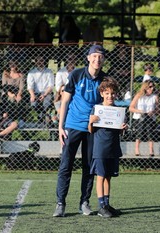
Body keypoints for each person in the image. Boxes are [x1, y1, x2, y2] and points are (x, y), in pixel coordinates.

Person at [53, 44, 107, 217]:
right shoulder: (76, 74)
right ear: (88, 58)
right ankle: (60, 203)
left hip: (93, 129)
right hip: (73, 126)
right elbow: (65, 101)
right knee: (65, 165)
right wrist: (61, 127)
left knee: (89, 167)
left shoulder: (105, 79)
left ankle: (84, 202)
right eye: (94, 56)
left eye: (100, 56)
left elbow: (108, 104)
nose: (97, 59)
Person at [88, 77, 127, 218]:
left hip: (113, 148)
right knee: (101, 176)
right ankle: (101, 207)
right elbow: (90, 130)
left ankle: (107, 204)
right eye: (107, 93)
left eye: (112, 93)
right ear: (102, 94)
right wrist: (91, 122)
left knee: (108, 177)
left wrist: (123, 128)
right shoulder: (97, 109)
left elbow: (120, 132)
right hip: (100, 149)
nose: (110, 96)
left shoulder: (119, 111)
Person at [129, 80, 158, 157]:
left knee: (150, 130)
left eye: (152, 86)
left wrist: (153, 111)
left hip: (150, 117)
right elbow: (131, 108)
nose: (152, 88)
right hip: (139, 117)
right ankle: (137, 149)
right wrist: (139, 111)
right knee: (140, 129)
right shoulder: (139, 96)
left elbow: (159, 109)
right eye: (150, 87)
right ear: (145, 87)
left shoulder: (154, 97)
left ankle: (151, 150)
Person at [27, 55, 54, 126]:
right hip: (35, 92)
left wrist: (44, 94)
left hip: (47, 92)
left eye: (41, 60)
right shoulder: (32, 72)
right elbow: (30, 86)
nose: (40, 62)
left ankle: (42, 119)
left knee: (47, 102)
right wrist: (32, 95)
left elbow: (51, 86)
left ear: (44, 61)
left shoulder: (49, 71)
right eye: (38, 60)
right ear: (35, 62)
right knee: (34, 103)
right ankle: (43, 117)